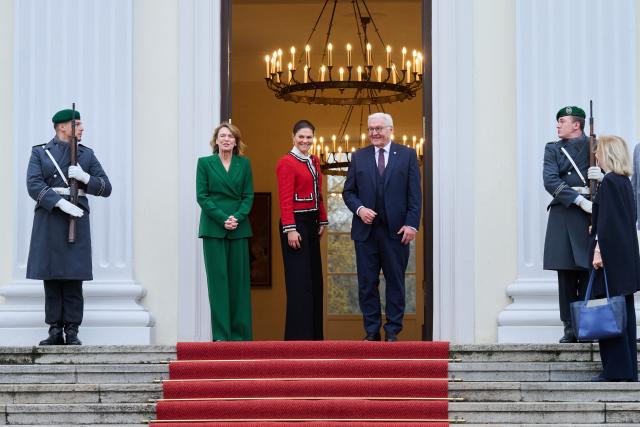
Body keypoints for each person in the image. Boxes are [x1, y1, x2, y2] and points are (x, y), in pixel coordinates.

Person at [27, 108, 112, 345]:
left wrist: (86, 178)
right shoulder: (41, 153)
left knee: (74, 276)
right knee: (51, 276)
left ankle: (72, 330)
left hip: (77, 218)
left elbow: (106, 187)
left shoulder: (86, 155)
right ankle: (55, 330)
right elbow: (34, 185)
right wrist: (60, 204)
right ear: (62, 127)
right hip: (51, 218)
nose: (82, 128)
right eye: (77, 124)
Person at [342, 112, 421, 342]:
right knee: (367, 284)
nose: (374, 133)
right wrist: (360, 210)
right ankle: (372, 332)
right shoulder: (359, 157)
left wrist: (411, 224)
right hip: (365, 233)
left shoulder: (407, 155)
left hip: (396, 232)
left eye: (379, 128)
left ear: (390, 129)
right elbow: (348, 192)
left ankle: (393, 332)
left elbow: (415, 195)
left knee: (395, 282)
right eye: (371, 129)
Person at [196, 123, 254, 341]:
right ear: (216, 140)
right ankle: (221, 335)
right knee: (218, 283)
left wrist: (236, 218)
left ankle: (240, 335)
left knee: (238, 284)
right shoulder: (205, 164)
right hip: (214, 228)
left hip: (238, 229)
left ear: (236, 141)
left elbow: (248, 195)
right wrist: (223, 218)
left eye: (230, 136)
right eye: (222, 136)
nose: (226, 139)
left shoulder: (244, 164)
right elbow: (202, 196)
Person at [543, 105, 595, 343]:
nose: (557, 125)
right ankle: (570, 328)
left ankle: (586, 325)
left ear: (577, 124)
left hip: (590, 216)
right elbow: (550, 180)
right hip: (565, 212)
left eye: (562, 121)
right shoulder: (553, 149)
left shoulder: (595, 146)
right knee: (565, 275)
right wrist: (578, 201)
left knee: (588, 270)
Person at [590, 135, 639, 382]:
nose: (596, 155)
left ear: (607, 153)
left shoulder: (609, 182)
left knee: (610, 315)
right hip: (624, 261)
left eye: (598, 151)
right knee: (624, 315)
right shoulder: (623, 182)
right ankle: (627, 369)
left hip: (610, 260)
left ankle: (616, 370)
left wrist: (598, 250)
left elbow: (606, 224)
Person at [276, 120, 328, 340]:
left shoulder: (314, 161)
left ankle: (315, 337)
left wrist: (323, 220)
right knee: (300, 283)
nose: (305, 141)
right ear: (293, 137)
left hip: (311, 223)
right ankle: (298, 339)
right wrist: (290, 229)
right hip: (295, 225)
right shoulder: (286, 162)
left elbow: (319, 193)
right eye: (301, 137)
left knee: (315, 281)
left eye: (309, 137)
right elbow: (285, 198)